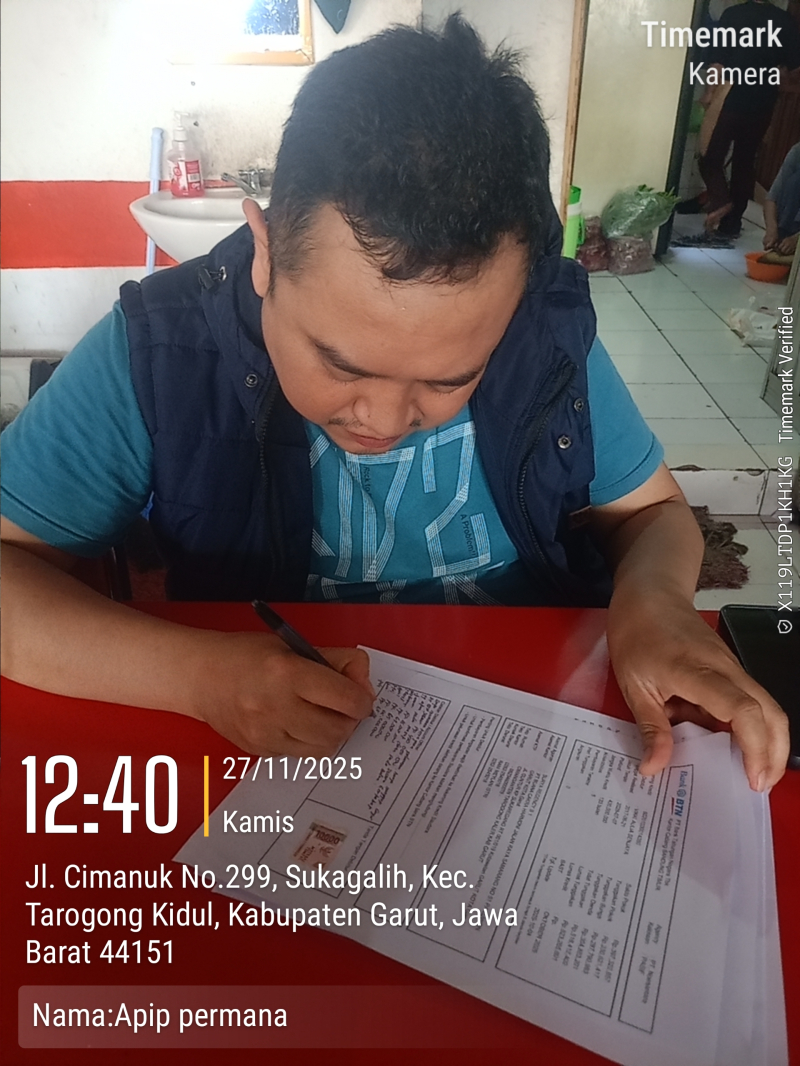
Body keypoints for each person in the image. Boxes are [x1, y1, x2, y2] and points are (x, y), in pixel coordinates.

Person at [0, 16, 788, 791]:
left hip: (534, 746)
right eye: (338, 363)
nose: (381, 421)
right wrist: (198, 677)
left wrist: (653, 603)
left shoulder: (539, 334)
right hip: (264, 758)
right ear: (266, 253)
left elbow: (655, 514)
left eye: (449, 379)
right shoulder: (160, 350)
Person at [697, 0, 800, 238]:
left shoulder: (733, 14)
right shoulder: (784, 21)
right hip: (763, 100)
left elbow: (718, 62)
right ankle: (731, 225)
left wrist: (710, 92)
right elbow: (796, 68)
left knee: (708, 155)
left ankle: (721, 201)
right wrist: (781, 81)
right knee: (744, 161)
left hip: (730, 95)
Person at [763, 139, 800, 254]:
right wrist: (772, 229)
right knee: (794, 182)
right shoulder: (797, 151)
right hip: (788, 228)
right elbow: (772, 197)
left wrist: (797, 240)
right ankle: (782, 240)